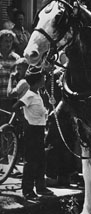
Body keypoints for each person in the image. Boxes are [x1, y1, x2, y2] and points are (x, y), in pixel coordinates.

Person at [13, 67, 55, 201]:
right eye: (42, 78)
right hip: (32, 131)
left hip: (40, 130)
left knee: (41, 159)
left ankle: (40, 186)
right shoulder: (29, 95)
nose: (44, 80)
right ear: (37, 81)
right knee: (31, 161)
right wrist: (24, 121)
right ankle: (27, 190)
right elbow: (16, 107)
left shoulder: (38, 95)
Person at [0, 29, 20, 113]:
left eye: (10, 41)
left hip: (12, 100)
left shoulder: (16, 59)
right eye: (6, 41)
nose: (8, 44)